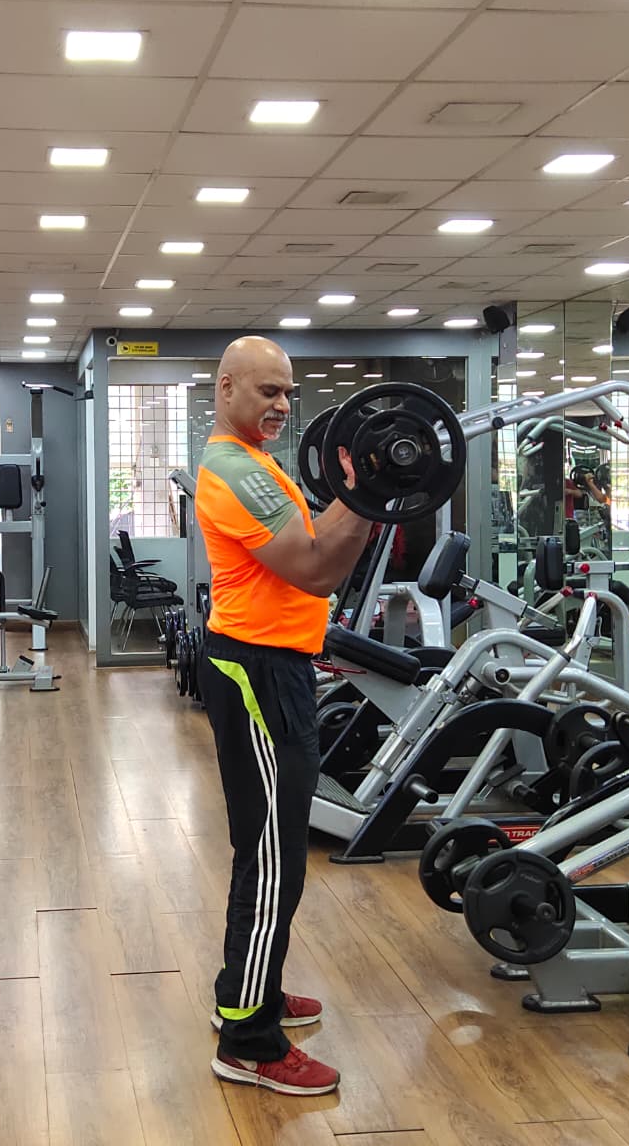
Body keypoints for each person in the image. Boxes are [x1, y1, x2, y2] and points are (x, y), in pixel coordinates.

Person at [196, 336, 372, 1097]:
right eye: (267, 390)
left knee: (264, 849)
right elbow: (316, 568)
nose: (281, 404)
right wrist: (370, 496)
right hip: (259, 670)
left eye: (287, 393)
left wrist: (359, 495)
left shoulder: (258, 462)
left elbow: (314, 544)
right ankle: (249, 1041)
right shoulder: (234, 470)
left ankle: (246, 990)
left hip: (272, 664)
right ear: (227, 387)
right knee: (273, 857)